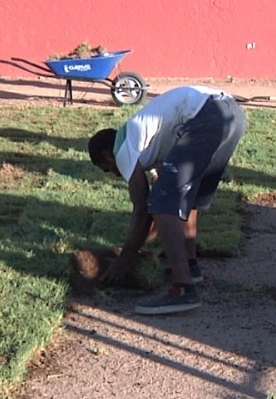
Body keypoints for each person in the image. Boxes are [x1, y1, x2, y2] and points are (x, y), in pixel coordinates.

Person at [88, 85, 246, 315]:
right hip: (231, 115)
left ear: (107, 155)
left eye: (107, 169)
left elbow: (145, 208)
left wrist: (125, 260)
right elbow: (158, 212)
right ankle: (189, 267)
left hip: (205, 116)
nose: (114, 173)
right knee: (184, 199)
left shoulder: (123, 147)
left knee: (162, 203)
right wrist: (143, 243)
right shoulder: (151, 145)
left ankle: (183, 289)